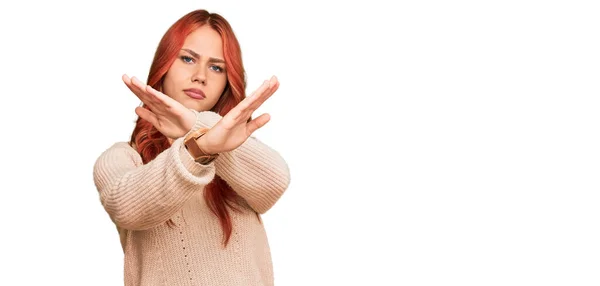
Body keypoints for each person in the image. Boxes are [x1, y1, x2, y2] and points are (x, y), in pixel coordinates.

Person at [92, 9, 291, 286]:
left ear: (226, 82)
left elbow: (275, 183)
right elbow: (128, 207)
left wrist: (194, 124)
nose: (200, 76)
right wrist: (199, 147)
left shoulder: (237, 151)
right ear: (164, 65)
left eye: (216, 67)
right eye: (188, 59)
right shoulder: (122, 157)